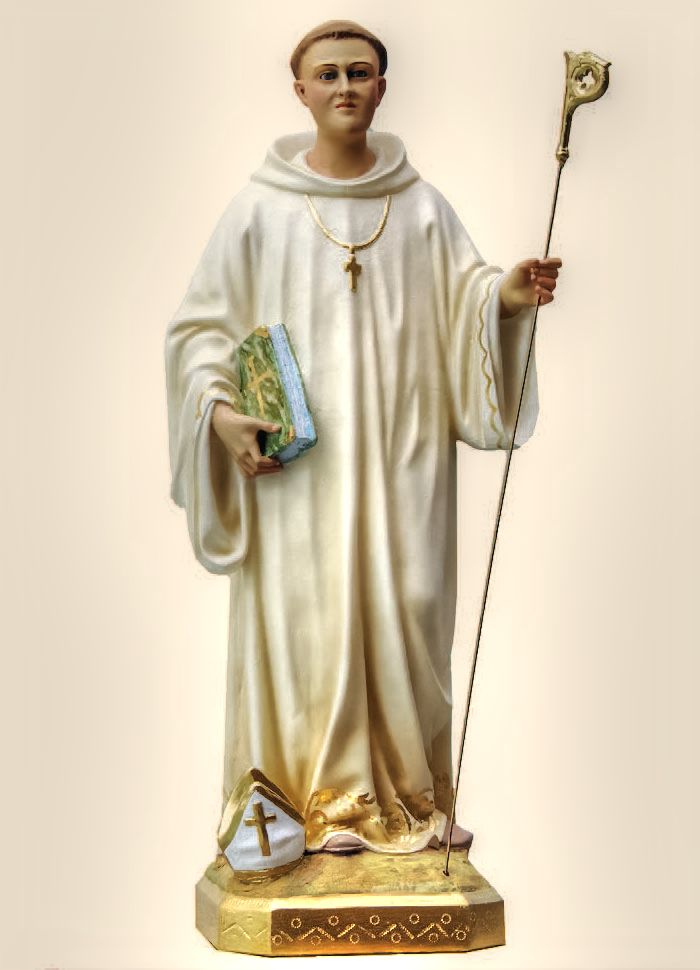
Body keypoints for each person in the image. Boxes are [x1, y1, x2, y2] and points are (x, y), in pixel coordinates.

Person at [164, 20, 562, 857]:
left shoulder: (421, 207)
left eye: (359, 73)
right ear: (300, 91)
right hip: (305, 475)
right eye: (328, 75)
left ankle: (412, 797)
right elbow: (200, 332)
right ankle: (319, 805)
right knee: (310, 626)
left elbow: (465, 298)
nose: (344, 87)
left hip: (403, 458)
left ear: (382, 87)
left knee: (410, 610)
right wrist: (224, 415)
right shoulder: (260, 209)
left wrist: (506, 300)